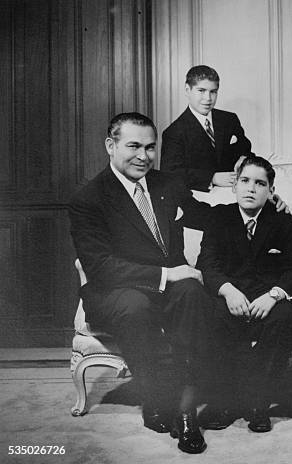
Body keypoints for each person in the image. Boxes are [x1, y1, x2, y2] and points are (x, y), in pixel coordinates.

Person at [69, 113, 210, 453]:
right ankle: (156, 398)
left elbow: (205, 215)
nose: (143, 156)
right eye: (133, 146)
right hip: (115, 290)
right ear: (110, 146)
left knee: (192, 290)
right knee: (136, 306)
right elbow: (100, 266)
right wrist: (166, 274)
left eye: (150, 147)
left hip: (170, 285)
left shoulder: (167, 184)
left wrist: (261, 205)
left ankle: (186, 406)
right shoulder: (88, 198)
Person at [196, 156, 292, 433]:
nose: (250, 188)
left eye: (260, 183)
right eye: (244, 181)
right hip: (229, 296)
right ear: (235, 186)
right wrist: (228, 291)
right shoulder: (219, 217)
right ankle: (226, 401)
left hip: (266, 299)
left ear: (270, 190)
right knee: (210, 315)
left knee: (286, 318)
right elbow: (207, 265)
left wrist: (274, 295)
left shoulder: (285, 223)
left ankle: (258, 401)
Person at [161, 65, 253, 191]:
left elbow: (245, 148)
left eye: (213, 92)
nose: (208, 98)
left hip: (235, 192)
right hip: (200, 197)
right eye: (201, 91)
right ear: (187, 90)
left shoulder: (229, 119)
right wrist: (212, 178)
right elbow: (171, 173)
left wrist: (243, 158)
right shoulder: (174, 132)